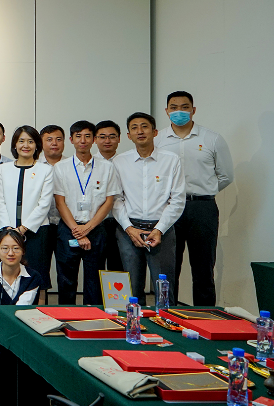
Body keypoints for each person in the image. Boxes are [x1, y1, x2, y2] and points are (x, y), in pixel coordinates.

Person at [157, 91, 234, 306]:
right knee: (169, 269)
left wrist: (204, 191)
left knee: (203, 269)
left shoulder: (212, 138)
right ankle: (168, 315)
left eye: (185, 107)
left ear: (193, 110)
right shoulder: (158, 140)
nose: (179, 111)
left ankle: (205, 317)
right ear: (166, 111)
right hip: (168, 209)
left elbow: (226, 176)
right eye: (174, 107)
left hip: (202, 208)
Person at [113, 112, 186, 304]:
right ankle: (135, 322)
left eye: (144, 126)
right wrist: (129, 228)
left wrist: (159, 229)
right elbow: (116, 200)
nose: (140, 131)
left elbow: (178, 200)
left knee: (164, 288)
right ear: (128, 135)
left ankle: (165, 321)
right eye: (134, 128)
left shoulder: (171, 160)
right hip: (129, 230)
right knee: (132, 289)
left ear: (155, 132)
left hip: (162, 229)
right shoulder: (120, 162)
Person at [53, 121, 122, 305]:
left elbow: (109, 201)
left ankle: (93, 317)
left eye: (87, 136)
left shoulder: (107, 167)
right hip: (69, 228)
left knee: (94, 280)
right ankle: (66, 315)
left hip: (96, 229)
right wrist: (77, 230)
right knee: (66, 279)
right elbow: (60, 202)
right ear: (71, 140)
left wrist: (88, 228)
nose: (82, 140)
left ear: (93, 139)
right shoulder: (61, 167)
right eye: (78, 136)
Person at [0, 125, 54, 283]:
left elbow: (44, 204)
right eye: (21, 141)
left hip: (37, 231)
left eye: (30, 141)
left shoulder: (45, 170)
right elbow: (0, 200)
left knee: (37, 275)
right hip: (8, 231)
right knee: (8, 275)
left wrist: (23, 229)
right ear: (15, 144)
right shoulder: (4, 169)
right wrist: (8, 228)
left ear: (37, 145)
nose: (25, 145)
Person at [0, 228, 42, 325]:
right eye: (5, 248)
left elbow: (21, 310)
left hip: (21, 327)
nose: (10, 253)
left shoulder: (33, 277)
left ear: (23, 251)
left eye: (16, 248)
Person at [37, 124, 68, 299]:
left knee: (66, 269)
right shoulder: (34, 165)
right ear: (41, 143)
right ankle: (41, 307)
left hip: (66, 224)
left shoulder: (72, 165)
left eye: (58, 139)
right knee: (41, 269)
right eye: (49, 140)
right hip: (42, 225)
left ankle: (66, 307)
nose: (54, 143)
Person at [94, 120, 124, 272]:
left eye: (112, 136)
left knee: (117, 267)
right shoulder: (89, 163)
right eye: (102, 137)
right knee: (95, 267)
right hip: (95, 222)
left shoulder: (126, 162)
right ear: (95, 139)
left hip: (120, 222)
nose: (107, 141)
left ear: (119, 139)